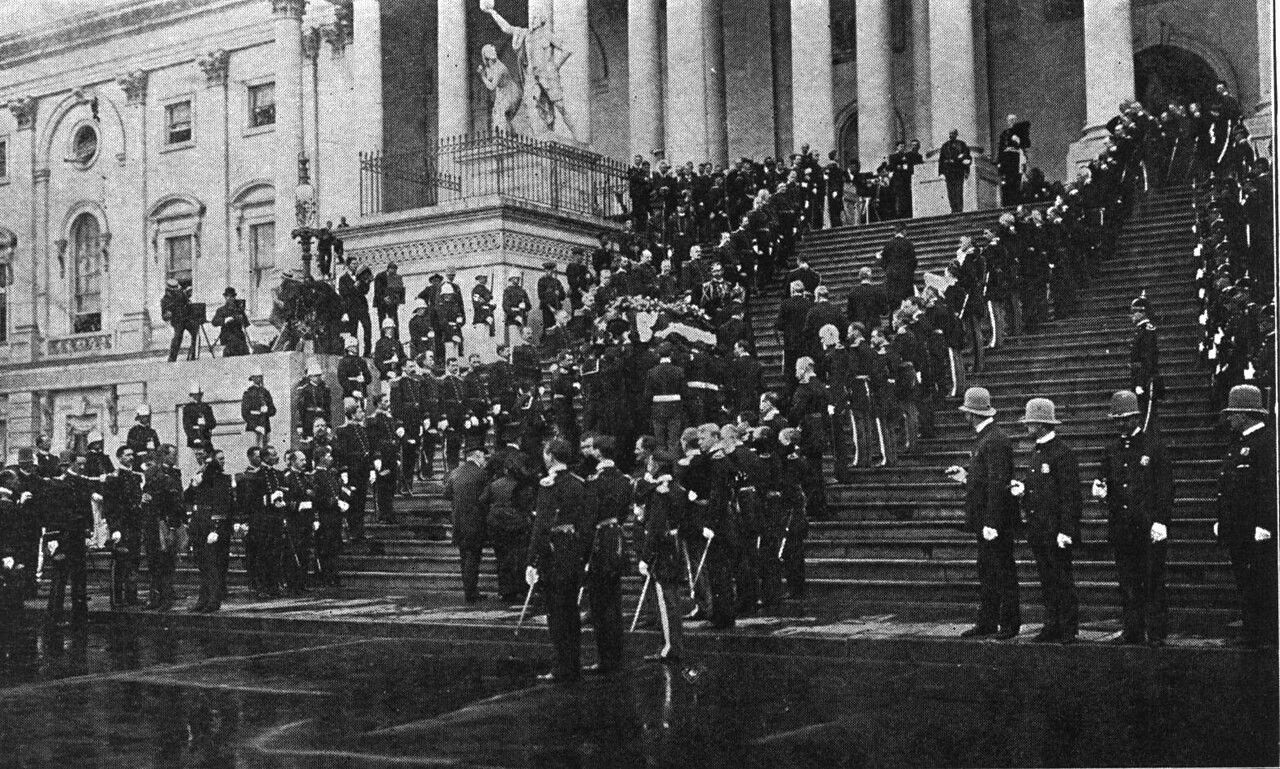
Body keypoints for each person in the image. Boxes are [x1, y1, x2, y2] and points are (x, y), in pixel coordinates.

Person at [1096, 390, 1173, 646]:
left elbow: (1164, 486)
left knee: (1152, 579)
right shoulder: (1111, 449)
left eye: (1126, 419)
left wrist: (1161, 520)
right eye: (1117, 420)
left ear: (1137, 418)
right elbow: (1107, 481)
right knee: (1127, 580)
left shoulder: (1154, 446)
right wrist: (1101, 490)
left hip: (1148, 525)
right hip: (1123, 526)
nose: (1121, 424)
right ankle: (1133, 630)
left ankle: (1157, 631)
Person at [947, 387, 1019, 639]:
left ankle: (1009, 623)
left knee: (1002, 570)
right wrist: (966, 478)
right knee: (988, 570)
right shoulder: (986, 437)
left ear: (971, 414)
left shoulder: (994, 439)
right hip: (987, 519)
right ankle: (988, 622)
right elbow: (985, 482)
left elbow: (998, 484)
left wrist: (991, 521)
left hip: (994, 521)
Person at [1213, 384, 1277, 648]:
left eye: (1233, 413)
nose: (1229, 418)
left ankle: (1265, 634)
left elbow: (1269, 488)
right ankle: (1253, 632)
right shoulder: (1238, 443)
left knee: (1261, 582)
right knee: (1246, 582)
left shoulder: (1266, 443)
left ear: (1246, 414)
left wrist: (1265, 523)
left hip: (1256, 530)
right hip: (1238, 528)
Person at [1013, 398, 1080, 644]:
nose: (1027, 426)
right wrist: (1023, 490)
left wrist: (1066, 529)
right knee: (1047, 580)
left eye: (1030, 422)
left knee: (1062, 579)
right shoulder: (1037, 451)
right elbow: (1039, 488)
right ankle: (1052, 624)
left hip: (1055, 530)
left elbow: (1070, 496)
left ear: (1041, 424)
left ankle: (1068, 627)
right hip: (1039, 529)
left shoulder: (1062, 454)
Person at [525, 438, 590, 683]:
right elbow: (585, 522)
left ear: (550, 456)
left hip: (554, 552)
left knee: (556, 612)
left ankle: (562, 665)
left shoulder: (548, 485)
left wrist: (532, 560)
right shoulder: (579, 484)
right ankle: (572, 662)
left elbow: (541, 526)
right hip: (572, 551)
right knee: (571, 610)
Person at [581, 435, 629, 676]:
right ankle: (617, 654)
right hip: (616, 536)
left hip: (599, 539)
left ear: (598, 452)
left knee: (599, 602)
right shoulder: (623, 479)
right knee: (614, 599)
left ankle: (606, 657)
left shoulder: (595, 481)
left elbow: (589, 517)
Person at [634, 450, 686, 662]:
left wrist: (646, 556)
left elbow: (655, 527)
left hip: (662, 548)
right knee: (670, 597)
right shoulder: (677, 489)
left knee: (666, 600)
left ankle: (671, 646)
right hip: (673, 544)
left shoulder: (660, 492)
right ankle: (672, 643)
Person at [43, 450, 97, 622]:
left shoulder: (81, 482)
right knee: (60, 577)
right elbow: (52, 514)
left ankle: (79, 615)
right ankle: (55, 616)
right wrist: (52, 539)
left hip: (77, 535)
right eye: (78, 464)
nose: (81, 467)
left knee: (79, 576)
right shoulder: (56, 485)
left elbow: (87, 507)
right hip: (63, 536)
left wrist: (88, 527)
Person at [185, 449, 233, 613]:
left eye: (207, 462)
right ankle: (203, 598)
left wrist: (215, 528)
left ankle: (213, 600)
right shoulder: (199, 479)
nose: (204, 465)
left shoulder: (221, 480)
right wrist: (193, 485)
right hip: (199, 523)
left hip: (210, 524)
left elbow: (222, 504)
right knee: (202, 564)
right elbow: (187, 499)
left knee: (212, 564)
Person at [444, 442, 490, 604]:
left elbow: (447, 494)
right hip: (476, 522)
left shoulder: (454, 472)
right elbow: (487, 498)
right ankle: (471, 591)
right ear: (477, 455)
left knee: (464, 557)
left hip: (459, 521)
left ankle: (469, 589)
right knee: (474, 557)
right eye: (483, 456)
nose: (484, 459)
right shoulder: (482, 475)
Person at [141, 453, 185, 611]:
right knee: (154, 563)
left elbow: (175, 507)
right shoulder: (149, 485)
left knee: (164, 562)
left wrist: (172, 528)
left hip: (163, 525)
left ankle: (164, 598)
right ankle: (156, 597)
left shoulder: (167, 482)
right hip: (152, 526)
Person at [103, 445, 144, 608]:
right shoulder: (113, 478)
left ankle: (131, 596)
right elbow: (110, 506)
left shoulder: (134, 477)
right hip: (121, 526)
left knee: (133, 562)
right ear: (119, 458)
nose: (131, 457)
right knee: (120, 562)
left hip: (134, 526)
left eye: (132, 454)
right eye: (127, 455)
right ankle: (117, 598)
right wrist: (115, 528)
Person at [1129, 295, 1163, 432]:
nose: (1132, 315)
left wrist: (1140, 382)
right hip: (1140, 377)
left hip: (1146, 380)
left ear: (1143, 313)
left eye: (1134, 312)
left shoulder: (1147, 331)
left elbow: (1147, 359)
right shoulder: (1141, 331)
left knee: (1147, 417)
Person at [478, 43, 521, 132]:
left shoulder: (499, 68)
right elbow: (490, 77)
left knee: (501, 114)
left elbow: (491, 87)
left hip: (511, 92)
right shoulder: (492, 65)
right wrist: (485, 70)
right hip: (502, 92)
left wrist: (483, 76)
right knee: (498, 114)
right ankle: (507, 136)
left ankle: (505, 137)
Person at [338, 258, 374, 357]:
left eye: (356, 264)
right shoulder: (343, 279)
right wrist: (354, 287)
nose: (355, 265)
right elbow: (343, 293)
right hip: (351, 307)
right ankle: (354, 352)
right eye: (353, 263)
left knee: (368, 328)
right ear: (348, 265)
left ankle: (367, 351)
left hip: (362, 306)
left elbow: (365, 291)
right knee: (353, 330)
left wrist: (366, 282)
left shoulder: (360, 276)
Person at [878, 223, 917, 309]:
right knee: (907, 306)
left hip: (892, 282)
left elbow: (883, 262)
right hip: (906, 280)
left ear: (895, 232)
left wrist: (888, 270)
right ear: (904, 231)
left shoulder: (888, 245)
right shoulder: (909, 244)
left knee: (893, 307)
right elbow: (914, 263)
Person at [161, 278, 198, 362]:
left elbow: (188, 302)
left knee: (195, 332)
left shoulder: (181, 294)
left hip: (187, 318)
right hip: (177, 321)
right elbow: (164, 316)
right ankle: (172, 358)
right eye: (172, 290)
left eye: (175, 289)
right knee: (178, 336)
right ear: (168, 290)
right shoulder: (165, 300)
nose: (174, 291)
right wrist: (168, 314)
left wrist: (188, 297)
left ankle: (193, 355)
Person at [938, 129, 973, 213]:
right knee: (951, 192)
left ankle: (959, 209)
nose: (951, 135)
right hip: (949, 172)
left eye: (953, 134)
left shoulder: (962, 145)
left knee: (958, 191)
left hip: (958, 171)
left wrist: (967, 170)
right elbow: (941, 160)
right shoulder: (945, 146)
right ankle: (953, 209)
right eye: (950, 133)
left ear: (956, 134)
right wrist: (941, 173)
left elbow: (967, 157)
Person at [295, 360, 332, 440]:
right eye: (315, 376)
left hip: (322, 418)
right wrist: (300, 425)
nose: (317, 378)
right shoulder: (304, 389)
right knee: (309, 441)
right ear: (310, 377)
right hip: (308, 419)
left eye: (319, 375)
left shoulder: (325, 389)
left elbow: (327, 408)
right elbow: (300, 408)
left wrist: (329, 424)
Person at [845, 267, 888, 334]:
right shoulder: (877, 291)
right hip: (875, 326)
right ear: (870, 276)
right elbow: (885, 311)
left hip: (859, 328)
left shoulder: (853, 292)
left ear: (859, 277)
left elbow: (849, 314)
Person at [211, 287, 251, 356]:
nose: (230, 298)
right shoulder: (221, 310)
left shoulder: (239, 309)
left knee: (243, 350)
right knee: (234, 345)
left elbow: (246, 324)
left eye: (232, 296)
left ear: (234, 297)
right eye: (228, 296)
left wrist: (242, 316)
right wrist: (225, 320)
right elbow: (214, 322)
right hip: (226, 334)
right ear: (225, 297)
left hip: (238, 333)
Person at [997, 114, 1027, 206]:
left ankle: (1014, 202)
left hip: (1014, 157)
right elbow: (1001, 148)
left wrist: (1018, 141)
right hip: (1006, 158)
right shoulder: (1004, 133)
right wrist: (999, 161)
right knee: (1005, 181)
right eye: (1009, 120)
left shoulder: (1019, 132)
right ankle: (1006, 203)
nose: (1011, 122)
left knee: (1014, 180)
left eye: (1013, 120)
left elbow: (1023, 145)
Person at [241, 370, 277, 447]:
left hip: (266, 426)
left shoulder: (265, 392)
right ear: (252, 378)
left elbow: (273, 410)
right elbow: (245, 413)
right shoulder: (248, 393)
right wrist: (255, 426)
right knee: (255, 450)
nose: (259, 379)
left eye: (260, 377)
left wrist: (267, 410)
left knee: (266, 451)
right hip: (253, 428)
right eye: (256, 377)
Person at [373, 261, 406, 337]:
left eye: (395, 270)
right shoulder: (380, 276)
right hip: (381, 303)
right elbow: (377, 290)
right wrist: (384, 298)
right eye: (392, 270)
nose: (394, 272)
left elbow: (399, 289)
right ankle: (383, 338)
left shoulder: (397, 277)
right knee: (382, 321)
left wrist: (397, 300)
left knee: (394, 321)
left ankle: (396, 338)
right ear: (388, 269)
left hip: (392, 303)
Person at [182, 382, 217, 452]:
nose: (197, 397)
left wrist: (205, 424)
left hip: (205, 438)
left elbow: (213, 423)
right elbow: (187, 425)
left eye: (198, 395)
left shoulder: (206, 407)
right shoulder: (188, 408)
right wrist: (194, 437)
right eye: (195, 395)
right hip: (193, 440)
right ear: (192, 396)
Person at [536, 261, 566, 334]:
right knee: (548, 327)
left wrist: (559, 293)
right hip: (547, 308)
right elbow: (541, 296)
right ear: (545, 270)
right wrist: (549, 306)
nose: (549, 271)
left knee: (557, 327)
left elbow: (563, 296)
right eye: (547, 270)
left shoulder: (557, 282)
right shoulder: (542, 281)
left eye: (550, 270)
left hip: (557, 307)